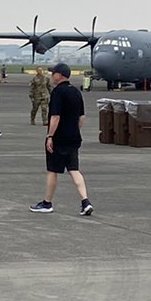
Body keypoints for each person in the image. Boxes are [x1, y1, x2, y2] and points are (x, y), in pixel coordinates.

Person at [31, 63, 94, 216]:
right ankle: (85, 201)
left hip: (59, 138)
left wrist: (50, 136)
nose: (52, 75)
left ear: (60, 75)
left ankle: (47, 202)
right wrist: (74, 130)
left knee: (53, 170)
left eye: (54, 73)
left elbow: (55, 116)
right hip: (74, 137)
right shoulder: (76, 92)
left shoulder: (58, 92)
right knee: (74, 169)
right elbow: (81, 117)